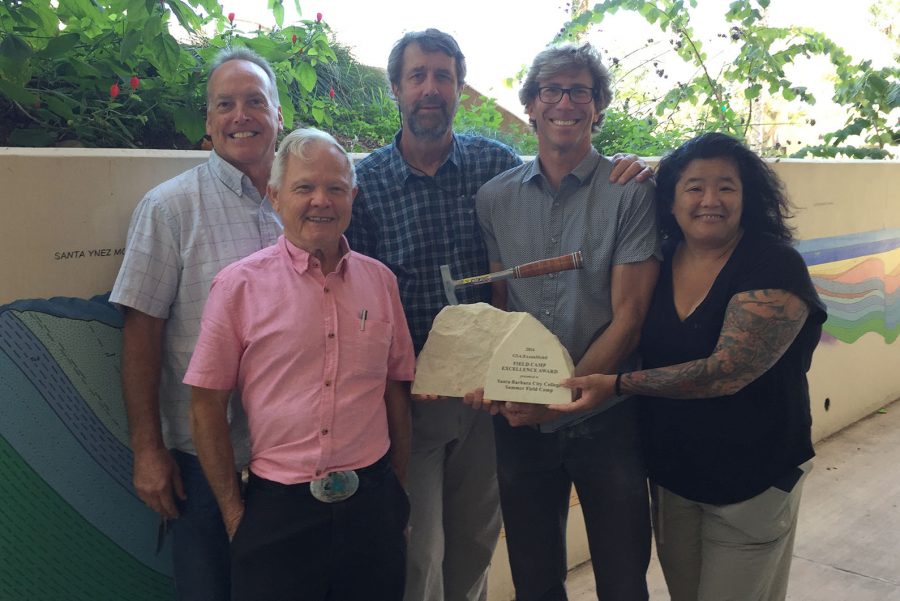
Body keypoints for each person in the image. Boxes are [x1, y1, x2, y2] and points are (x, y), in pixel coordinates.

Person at [345, 29, 651, 601]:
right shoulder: (371, 183)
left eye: (444, 76)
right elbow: (355, 292)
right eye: (418, 76)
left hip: (511, 401)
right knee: (422, 553)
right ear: (396, 89)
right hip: (418, 399)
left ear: (461, 87)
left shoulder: (494, 167)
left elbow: (600, 305)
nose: (431, 89)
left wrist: (636, 168)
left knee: (479, 550)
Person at [558, 132, 827, 601]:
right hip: (674, 480)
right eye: (694, 186)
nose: (710, 200)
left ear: (748, 197)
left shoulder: (773, 266)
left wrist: (617, 385)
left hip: (752, 481)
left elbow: (727, 370)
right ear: (672, 198)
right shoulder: (659, 258)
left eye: (726, 186)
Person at [184, 128, 415, 601]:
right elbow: (207, 404)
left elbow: (396, 390)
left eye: (335, 188)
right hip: (277, 511)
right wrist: (235, 515)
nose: (320, 201)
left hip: (372, 506)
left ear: (353, 196)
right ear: (274, 197)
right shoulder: (237, 288)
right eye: (304, 187)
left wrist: (397, 492)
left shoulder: (382, 282)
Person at [471, 42, 659, 600]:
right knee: (534, 579)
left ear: (598, 107)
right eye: (551, 90)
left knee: (623, 580)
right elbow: (501, 308)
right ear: (530, 106)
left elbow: (630, 316)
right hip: (522, 422)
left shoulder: (629, 192)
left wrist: (560, 393)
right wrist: (508, 391)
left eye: (581, 91)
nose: (565, 102)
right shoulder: (494, 199)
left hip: (607, 416)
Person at [109, 47, 283, 600]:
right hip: (204, 460)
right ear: (208, 123)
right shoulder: (170, 209)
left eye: (255, 101)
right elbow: (141, 334)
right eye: (225, 104)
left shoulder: (304, 204)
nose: (241, 116)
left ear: (279, 115)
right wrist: (147, 450)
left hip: (291, 457)